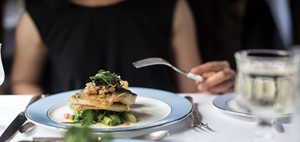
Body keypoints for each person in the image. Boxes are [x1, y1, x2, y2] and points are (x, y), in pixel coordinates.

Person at [10, 0, 235, 95]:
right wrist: (52, 109)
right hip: (79, 135)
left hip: (160, 135)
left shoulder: (171, 5)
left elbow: (192, 86)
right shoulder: (40, 14)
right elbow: (23, 81)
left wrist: (213, 83)